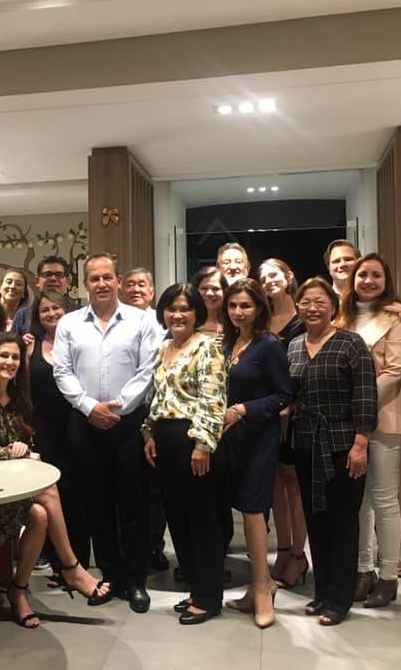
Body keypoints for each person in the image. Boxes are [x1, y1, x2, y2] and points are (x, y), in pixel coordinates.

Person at [0, 333, 112, 627]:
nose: (10, 362)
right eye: (3, 355)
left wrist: (25, 449)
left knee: (39, 515)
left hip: (9, 488)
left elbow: (25, 440)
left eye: (15, 357)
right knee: (49, 492)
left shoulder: (18, 399)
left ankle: (19, 589)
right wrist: (11, 453)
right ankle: (71, 567)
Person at [54, 254, 163, 613]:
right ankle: (111, 576)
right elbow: (62, 371)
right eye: (94, 278)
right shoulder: (69, 323)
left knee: (133, 505)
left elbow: (149, 369)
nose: (101, 284)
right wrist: (90, 407)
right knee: (95, 505)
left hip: (128, 425)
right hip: (85, 425)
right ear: (85, 284)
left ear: (118, 281)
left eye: (107, 277)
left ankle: (136, 580)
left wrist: (117, 408)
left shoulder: (142, 321)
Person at [287, 277, 377, 626]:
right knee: (316, 520)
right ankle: (322, 591)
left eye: (320, 302)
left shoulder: (351, 343)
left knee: (342, 522)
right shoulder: (294, 345)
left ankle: (340, 598)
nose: (312, 308)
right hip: (305, 443)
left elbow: (365, 394)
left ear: (333, 306)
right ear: (297, 307)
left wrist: (360, 443)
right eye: (305, 302)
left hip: (343, 443)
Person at [141, 283, 229, 625]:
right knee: (177, 518)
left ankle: (209, 598)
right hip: (164, 439)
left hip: (193, 440)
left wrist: (204, 444)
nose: (177, 315)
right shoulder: (164, 347)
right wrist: (149, 432)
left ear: (197, 313)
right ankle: (195, 588)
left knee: (201, 518)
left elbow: (213, 398)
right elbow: (159, 396)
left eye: (185, 309)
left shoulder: (208, 347)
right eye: (171, 309)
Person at [336, 254, 401, 608]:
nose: (368, 280)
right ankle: (363, 571)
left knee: (384, 499)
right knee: (358, 501)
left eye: (376, 275)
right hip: (348, 422)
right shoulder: (340, 319)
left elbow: (394, 373)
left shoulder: (397, 320)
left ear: (386, 280)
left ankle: (388, 576)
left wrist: (356, 403)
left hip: (385, 416)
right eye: (362, 274)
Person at [219, 279, 293, 628]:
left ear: (260, 308)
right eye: (233, 305)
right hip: (228, 439)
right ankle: (255, 587)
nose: (239, 311)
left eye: (246, 305)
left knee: (253, 512)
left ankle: (264, 588)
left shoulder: (269, 345)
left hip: (258, 438)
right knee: (241, 511)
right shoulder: (228, 343)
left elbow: (284, 395)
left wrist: (243, 409)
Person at [28, 289, 89, 585]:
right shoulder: (30, 346)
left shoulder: (79, 342)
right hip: (44, 430)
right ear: (37, 316)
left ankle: (80, 562)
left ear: (68, 311)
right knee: (52, 495)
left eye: (57, 308)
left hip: (77, 426)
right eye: (45, 310)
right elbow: (24, 390)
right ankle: (57, 563)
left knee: (78, 495)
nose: (52, 314)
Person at [258, 258, 307, 588]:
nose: (268, 281)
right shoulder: (261, 320)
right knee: (274, 481)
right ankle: (284, 549)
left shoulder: (305, 316)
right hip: (267, 412)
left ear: (288, 276)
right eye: (263, 278)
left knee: (294, 483)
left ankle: (300, 555)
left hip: (297, 410)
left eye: (273, 274)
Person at [119, 267, 164, 570]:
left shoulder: (163, 324)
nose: (136, 289)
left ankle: (155, 546)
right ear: (122, 290)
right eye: (131, 284)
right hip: (122, 412)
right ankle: (127, 549)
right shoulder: (115, 323)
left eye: (142, 284)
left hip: (154, 412)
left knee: (155, 487)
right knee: (126, 485)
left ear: (151, 291)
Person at [11, 256, 74, 335]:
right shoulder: (23, 315)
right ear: (37, 281)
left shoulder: (80, 313)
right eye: (48, 274)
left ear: (67, 282)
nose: (53, 278)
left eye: (59, 274)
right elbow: (12, 342)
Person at [192, 267, 225, 340]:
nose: (209, 293)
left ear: (224, 292)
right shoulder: (186, 323)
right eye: (204, 288)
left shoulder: (235, 325)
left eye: (215, 288)